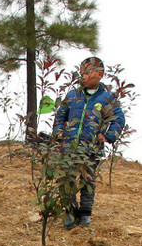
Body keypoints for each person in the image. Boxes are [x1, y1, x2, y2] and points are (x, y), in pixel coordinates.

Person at [50, 56, 126, 228]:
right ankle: (70, 211)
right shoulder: (73, 95)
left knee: (87, 181)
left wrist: (108, 136)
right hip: (69, 147)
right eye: (81, 72)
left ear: (99, 74)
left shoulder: (107, 98)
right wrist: (59, 133)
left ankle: (85, 213)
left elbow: (118, 119)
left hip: (91, 149)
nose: (82, 76)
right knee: (66, 179)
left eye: (87, 72)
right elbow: (61, 115)